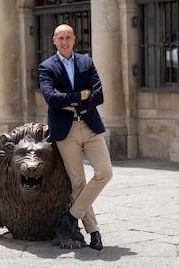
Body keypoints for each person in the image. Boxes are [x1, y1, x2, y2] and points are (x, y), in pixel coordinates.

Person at [38, 24, 113, 250]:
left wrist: (69, 100)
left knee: (105, 172)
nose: (64, 41)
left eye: (68, 37)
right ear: (54, 40)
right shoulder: (46, 67)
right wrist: (80, 96)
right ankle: (94, 231)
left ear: (74, 39)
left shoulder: (86, 63)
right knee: (78, 182)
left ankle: (70, 217)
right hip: (65, 131)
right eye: (60, 37)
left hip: (90, 127)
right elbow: (51, 98)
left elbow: (98, 95)